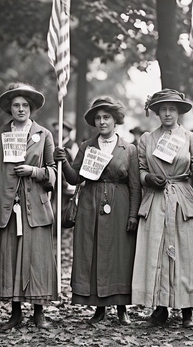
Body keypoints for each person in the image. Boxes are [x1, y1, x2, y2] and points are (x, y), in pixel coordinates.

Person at [54, 96, 141, 325]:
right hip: (91, 204)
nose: (102, 122)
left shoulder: (129, 149)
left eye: (107, 117)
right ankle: (99, 308)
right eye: (98, 118)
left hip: (119, 204)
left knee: (120, 254)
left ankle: (122, 308)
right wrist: (63, 162)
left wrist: (133, 214)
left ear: (115, 121)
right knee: (93, 252)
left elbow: (134, 185)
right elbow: (75, 177)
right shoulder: (86, 146)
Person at [131, 88, 193, 328]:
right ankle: (160, 307)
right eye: (163, 109)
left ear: (179, 112)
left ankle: (187, 308)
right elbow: (141, 169)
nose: (167, 113)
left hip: (183, 198)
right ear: (157, 112)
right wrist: (148, 179)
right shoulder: (147, 139)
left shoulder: (191, 139)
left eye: (172, 109)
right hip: (155, 199)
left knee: (185, 251)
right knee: (157, 250)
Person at [0, 83, 57, 329]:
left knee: (37, 258)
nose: (21, 109)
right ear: (10, 108)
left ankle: (38, 312)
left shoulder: (44, 134)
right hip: (9, 205)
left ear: (31, 109)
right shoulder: (0, 134)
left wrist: (34, 171)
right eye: (16, 105)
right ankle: (15, 312)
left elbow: (53, 171)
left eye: (25, 105)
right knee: (10, 257)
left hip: (36, 206)